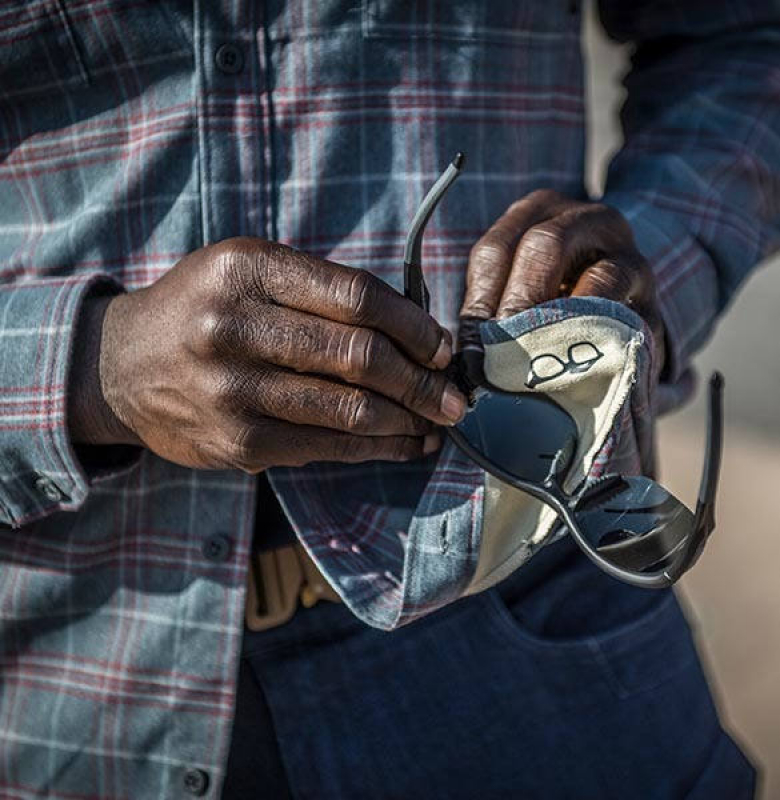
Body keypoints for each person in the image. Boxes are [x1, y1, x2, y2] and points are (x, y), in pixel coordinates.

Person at [0, 1, 777, 797]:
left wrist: (644, 283)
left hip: (535, 610)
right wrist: (94, 367)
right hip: (71, 682)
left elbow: (752, 39)